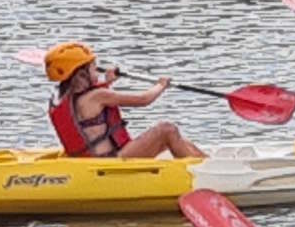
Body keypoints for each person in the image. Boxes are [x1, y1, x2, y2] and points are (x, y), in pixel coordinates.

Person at [44, 41, 200, 161]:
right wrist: (161, 85)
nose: (98, 70)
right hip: (110, 160)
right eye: (93, 67)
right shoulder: (98, 96)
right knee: (167, 130)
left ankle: (206, 162)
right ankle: (202, 173)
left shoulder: (64, 95)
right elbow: (144, 100)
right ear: (80, 75)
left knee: (176, 139)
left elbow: (89, 104)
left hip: (93, 160)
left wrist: (108, 82)